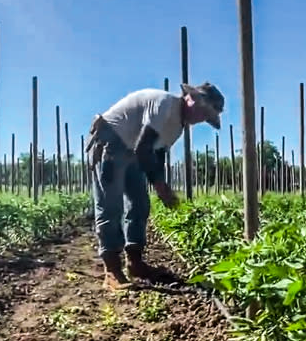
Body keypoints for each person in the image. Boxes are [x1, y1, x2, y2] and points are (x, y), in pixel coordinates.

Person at [86, 82, 225, 290]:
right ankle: (112, 271)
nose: (200, 118)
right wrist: (160, 186)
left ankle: (135, 263)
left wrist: (161, 183)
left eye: (206, 117)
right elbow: (144, 147)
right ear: (190, 99)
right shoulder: (165, 104)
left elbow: (157, 154)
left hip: (132, 150)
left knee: (140, 204)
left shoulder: (178, 126)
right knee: (110, 206)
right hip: (110, 143)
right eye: (202, 110)